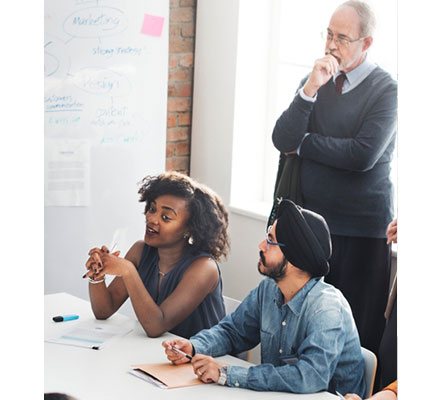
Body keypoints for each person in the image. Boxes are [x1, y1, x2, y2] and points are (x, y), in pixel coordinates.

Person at [271, 0, 397, 356]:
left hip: (362, 231)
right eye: (328, 34)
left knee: (355, 335)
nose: (330, 46)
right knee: (305, 329)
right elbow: (282, 140)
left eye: (342, 38)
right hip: (312, 228)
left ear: (366, 43)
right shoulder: (315, 82)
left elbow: (362, 155)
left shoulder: (387, 90)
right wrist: (310, 88)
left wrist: (306, 143)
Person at [162, 199, 366, 396]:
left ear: (295, 257)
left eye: (271, 240)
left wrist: (227, 373)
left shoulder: (327, 309)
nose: (261, 245)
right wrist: (194, 346)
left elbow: (309, 377)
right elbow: (232, 332)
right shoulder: (268, 289)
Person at [83, 171, 229, 338]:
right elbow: (103, 310)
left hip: (202, 360)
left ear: (189, 228)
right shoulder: (140, 251)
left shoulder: (204, 268)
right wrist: (97, 274)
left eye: (166, 217)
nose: (151, 218)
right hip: (160, 354)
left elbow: (156, 326)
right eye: (152, 209)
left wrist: (128, 271)